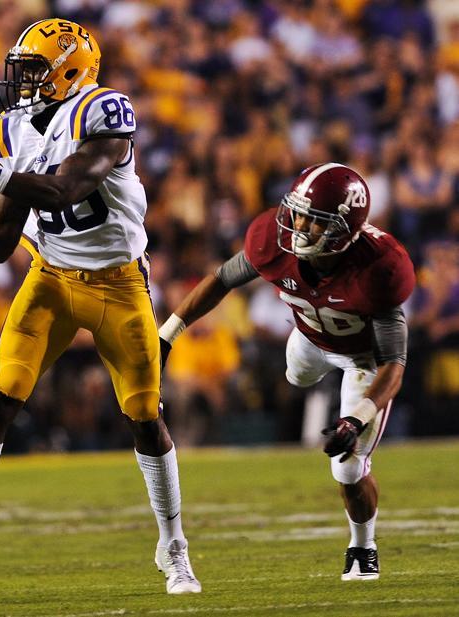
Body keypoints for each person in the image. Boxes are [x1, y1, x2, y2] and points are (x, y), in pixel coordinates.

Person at [0, 18, 200, 594]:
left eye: (34, 68)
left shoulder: (103, 111)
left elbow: (64, 190)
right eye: (23, 68)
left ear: (69, 71)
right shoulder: (11, 131)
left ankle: (173, 548)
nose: (22, 79)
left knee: (144, 417)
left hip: (118, 285)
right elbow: (4, 241)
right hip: (50, 276)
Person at [158, 163, 415, 580]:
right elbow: (222, 279)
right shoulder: (273, 243)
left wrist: (356, 418)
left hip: (363, 360)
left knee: (347, 467)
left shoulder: (380, 268)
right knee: (296, 376)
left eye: (312, 221)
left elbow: (393, 363)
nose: (296, 226)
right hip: (310, 340)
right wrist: (166, 334)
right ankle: (315, 380)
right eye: (296, 213)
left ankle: (363, 547)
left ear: (343, 231)